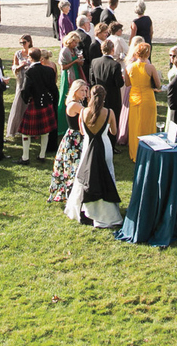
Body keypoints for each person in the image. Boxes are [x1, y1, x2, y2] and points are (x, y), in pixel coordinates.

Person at [64, 84, 123, 228]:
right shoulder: (109, 113)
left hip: (88, 147)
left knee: (84, 173)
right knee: (107, 174)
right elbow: (114, 132)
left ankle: (81, 208)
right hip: (105, 147)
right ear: (105, 97)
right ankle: (107, 210)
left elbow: (82, 132)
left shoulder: (83, 112)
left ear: (90, 95)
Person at [121, 36, 161, 161]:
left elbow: (127, 84)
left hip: (134, 97)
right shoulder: (150, 67)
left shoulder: (129, 67)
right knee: (148, 123)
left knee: (134, 124)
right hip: (147, 97)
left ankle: (134, 151)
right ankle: (148, 150)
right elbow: (158, 84)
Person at [48, 78, 88, 198]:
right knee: (74, 165)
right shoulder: (75, 105)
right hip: (75, 138)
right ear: (75, 91)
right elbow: (88, 115)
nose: (84, 94)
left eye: (85, 91)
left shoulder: (77, 102)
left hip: (76, 136)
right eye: (82, 91)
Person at [87, 38, 123, 142]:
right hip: (113, 97)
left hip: (98, 95)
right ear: (113, 50)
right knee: (112, 119)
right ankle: (111, 143)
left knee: (98, 117)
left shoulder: (94, 62)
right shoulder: (115, 65)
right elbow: (119, 84)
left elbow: (92, 80)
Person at [55, 32, 84, 139]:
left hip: (75, 73)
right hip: (67, 76)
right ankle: (62, 125)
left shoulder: (74, 50)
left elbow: (79, 63)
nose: (76, 45)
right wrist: (74, 61)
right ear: (70, 41)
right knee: (66, 97)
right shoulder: (65, 51)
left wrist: (80, 60)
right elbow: (63, 67)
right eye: (74, 42)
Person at [5, 34, 34, 140]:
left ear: (29, 42)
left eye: (24, 42)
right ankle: (17, 127)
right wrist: (19, 66)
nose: (23, 45)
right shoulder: (18, 53)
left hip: (32, 81)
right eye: (21, 43)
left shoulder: (34, 52)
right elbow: (14, 68)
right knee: (19, 104)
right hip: (21, 81)